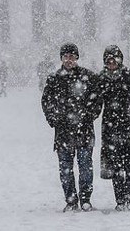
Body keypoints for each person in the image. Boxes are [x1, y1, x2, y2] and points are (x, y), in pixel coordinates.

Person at [41, 43, 101, 212]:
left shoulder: (88, 76)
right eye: (66, 56)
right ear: (61, 58)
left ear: (77, 58)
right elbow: (46, 101)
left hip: (84, 131)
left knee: (85, 167)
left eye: (72, 57)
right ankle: (71, 200)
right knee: (66, 169)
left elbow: (97, 100)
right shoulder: (54, 79)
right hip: (63, 132)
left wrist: (89, 116)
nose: (69, 60)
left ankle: (85, 199)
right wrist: (54, 119)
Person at [96, 45, 130, 211]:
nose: (111, 63)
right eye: (108, 60)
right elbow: (95, 101)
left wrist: (127, 89)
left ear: (120, 60)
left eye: (114, 59)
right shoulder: (101, 78)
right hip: (111, 127)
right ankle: (120, 199)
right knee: (116, 165)